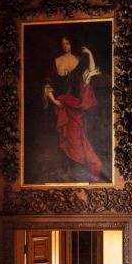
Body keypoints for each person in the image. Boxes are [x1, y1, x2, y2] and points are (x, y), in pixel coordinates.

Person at [43, 34, 104, 181]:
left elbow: (91, 71)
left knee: (76, 139)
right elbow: (48, 85)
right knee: (64, 139)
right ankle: (66, 171)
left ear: (72, 44)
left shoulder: (78, 60)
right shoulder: (56, 61)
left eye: (68, 43)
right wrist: (55, 102)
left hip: (75, 106)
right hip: (62, 106)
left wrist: (89, 53)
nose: (65, 46)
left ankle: (78, 171)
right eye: (63, 43)